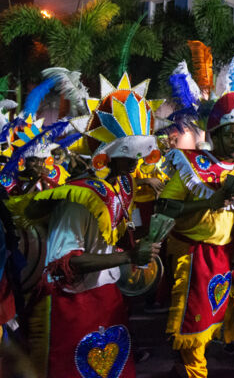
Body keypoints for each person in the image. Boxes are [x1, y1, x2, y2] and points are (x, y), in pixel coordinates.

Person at [20, 73, 164, 378]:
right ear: (106, 154)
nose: (137, 163)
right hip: (72, 303)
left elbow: (120, 238)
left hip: (108, 296)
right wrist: (127, 258)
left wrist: (140, 251)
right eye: (129, 154)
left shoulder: (123, 186)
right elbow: (62, 264)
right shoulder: (79, 199)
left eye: (139, 153)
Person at [158, 90, 234, 378]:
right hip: (192, 253)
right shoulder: (191, 164)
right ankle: (193, 369)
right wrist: (209, 201)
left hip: (225, 252)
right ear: (215, 136)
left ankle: (188, 363)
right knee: (192, 315)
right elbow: (164, 206)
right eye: (230, 135)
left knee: (214, 313)